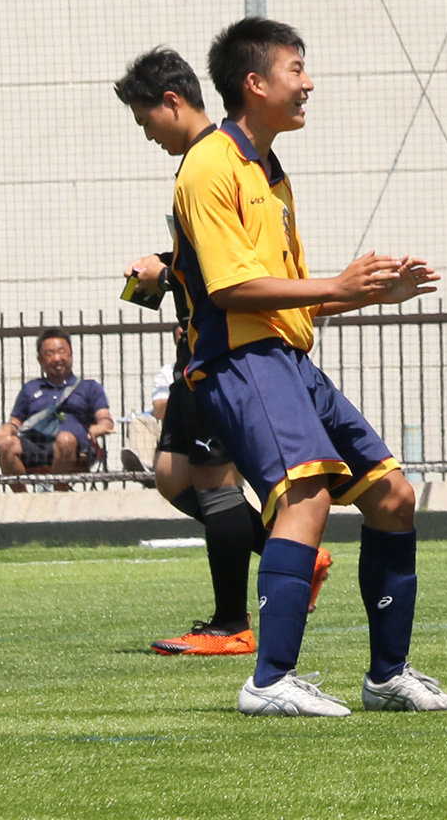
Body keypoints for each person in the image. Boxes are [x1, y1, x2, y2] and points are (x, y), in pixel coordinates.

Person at [177, 16, 447, 716]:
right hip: (240, 361)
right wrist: (340, 283)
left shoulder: (269, 172)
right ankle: (268, 681)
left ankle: (387, 676)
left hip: (286, 358)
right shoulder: (211, 164)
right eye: (296, 69)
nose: (308, 84)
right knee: (303, 496)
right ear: (255, 82)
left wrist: (369, 293)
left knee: (392, 496)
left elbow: (287, 299)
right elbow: (231, 291)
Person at [115, 46, 314, 658]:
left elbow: (238, 271)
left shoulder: (211, 162)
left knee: (213, 478)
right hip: (201, 346)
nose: (147, 135)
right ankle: (291, 547)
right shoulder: (223, 162)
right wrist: (168, 270)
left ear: (172, 102)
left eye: (146, 120)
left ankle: (233, 622)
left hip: (228, 348)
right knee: (173, 476)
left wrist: (170, 272)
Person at [0, 329, 111, 489]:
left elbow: (106, 421)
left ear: (71, 355)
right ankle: (22, 501)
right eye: (50, 353)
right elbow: (15, 422)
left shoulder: (89, 387)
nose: (57, 358)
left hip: (76, 449)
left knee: (65, 439)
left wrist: (97, 429)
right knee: (6, 444)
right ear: (40, 359)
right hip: (36, 446)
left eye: (62, 352)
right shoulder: (30, 388)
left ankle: (57, 497)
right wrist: (4, 431)